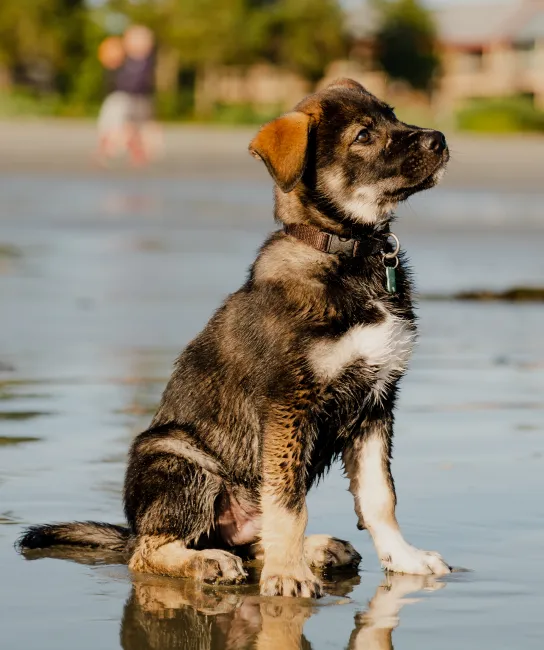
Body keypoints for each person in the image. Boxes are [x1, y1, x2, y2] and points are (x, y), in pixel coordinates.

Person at [96, 26, 162, 167]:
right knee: (120, 126)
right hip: (123, 98)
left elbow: (143, 83)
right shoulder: (124, 61)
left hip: (138, 99)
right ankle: (108, 151)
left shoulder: (146, 61)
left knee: (135, 128)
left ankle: (135, 153)